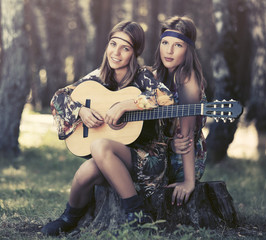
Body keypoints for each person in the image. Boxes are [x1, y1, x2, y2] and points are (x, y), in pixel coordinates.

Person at [42, 21, 175, 236]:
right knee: (85, 171)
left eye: (125, 48)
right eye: (113, 44)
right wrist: (80, 111)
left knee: (100, 146)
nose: (117, 52)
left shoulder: (143, 76)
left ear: (135, 52)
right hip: (112, 157)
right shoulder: (98, 77)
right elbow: (59, 97)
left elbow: (168, 98)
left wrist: (126, 104)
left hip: (147, 157)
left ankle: (136, 213)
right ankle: (69, 218)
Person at [152, 16, 207, 207]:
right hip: (164, 148)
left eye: (178, 45)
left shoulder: (186, 77)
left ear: (188, 50)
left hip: (183, 159)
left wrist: (189, 181)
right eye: (165, 42)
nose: (169, 50)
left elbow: (187, 135)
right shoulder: (156, 76)